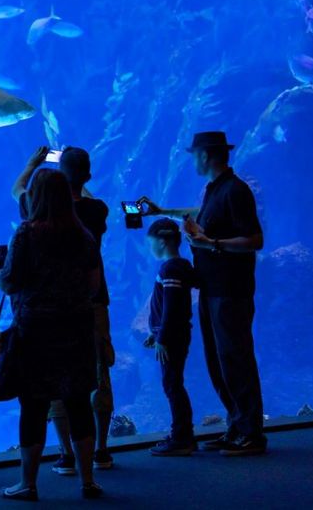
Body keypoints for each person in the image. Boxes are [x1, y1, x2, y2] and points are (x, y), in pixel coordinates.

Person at [139, 131, 266, 456]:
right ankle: (237, 427)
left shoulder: (235, 191)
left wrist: (212, 243)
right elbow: (197, 213)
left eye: (194, 153)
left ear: (206, 155)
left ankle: (251, 433)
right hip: (212, 290)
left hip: (230, 292)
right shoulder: (215, 191)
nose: (192, 159)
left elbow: (254, 240)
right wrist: (161, 211)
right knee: (219, 362)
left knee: (236, 360)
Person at [0, 171, 102, 501]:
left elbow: (9, 283)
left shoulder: (27, 234)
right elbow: (94, 286)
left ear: (35, 197)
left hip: (35, 333)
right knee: (78, 403)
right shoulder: (84, 236)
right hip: (76, 329)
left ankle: (27, 483)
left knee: (33, 406)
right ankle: (88, 481)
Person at [13, 146, 115, 473]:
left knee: (49, 380)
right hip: (90, 305)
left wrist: (33, 161)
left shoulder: (35, 218)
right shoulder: (97, 211)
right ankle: (100, 450)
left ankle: (65, 453)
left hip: (44, 313)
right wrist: (75, 177)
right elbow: (84, 196)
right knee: (96, 372)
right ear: (86, 175)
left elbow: (18, 190)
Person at [143, 218, 197, 456]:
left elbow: (172, 307)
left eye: (151, 242)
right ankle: (182, 434)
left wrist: (162, 338)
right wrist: (155, 335)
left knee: (172, 385)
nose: (150, 248)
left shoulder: (170, 268)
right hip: (173, 335)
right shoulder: (181, 265)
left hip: (172, 338)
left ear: (162, 241)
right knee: (174, 383)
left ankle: (182, 437)